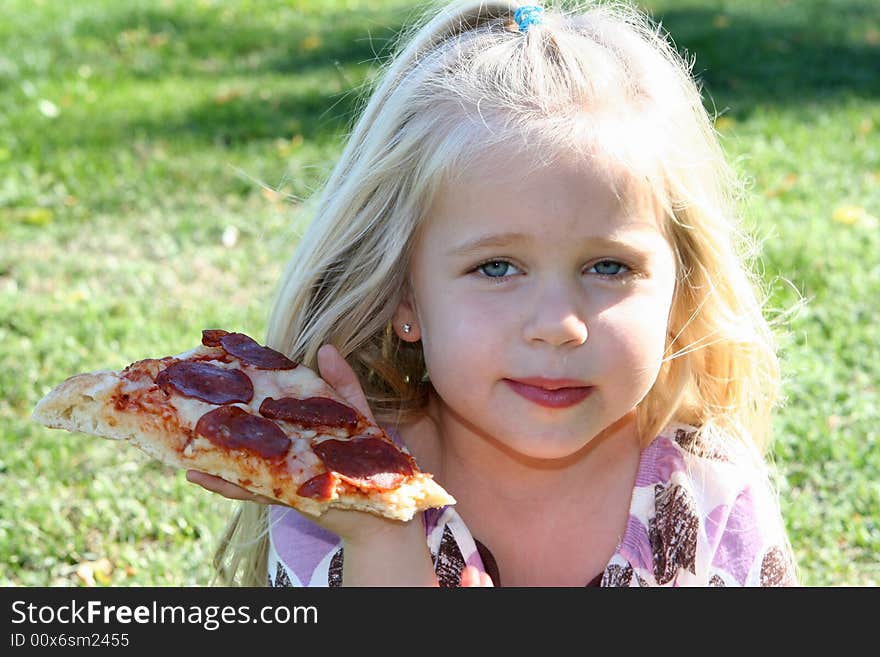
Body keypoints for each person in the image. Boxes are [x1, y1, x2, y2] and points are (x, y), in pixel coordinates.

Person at [187, 0, 798, 587]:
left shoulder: (710, 492)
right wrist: (380, 536)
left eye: (609, 266)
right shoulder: (336, 484)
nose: (559, 325)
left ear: (678, 288)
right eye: (498, 268)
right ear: (406, 298)